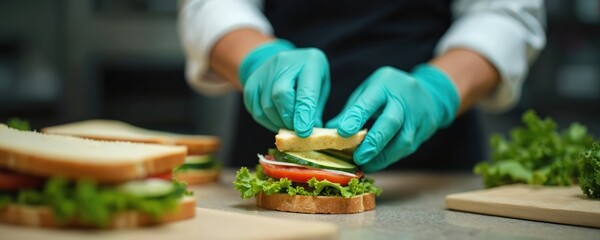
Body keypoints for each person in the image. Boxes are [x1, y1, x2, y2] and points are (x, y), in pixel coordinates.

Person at [179, 0, 546, 172]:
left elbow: (506, 13)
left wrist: (437, 91)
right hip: (271, 138)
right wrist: (257, 59)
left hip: (434, 162)